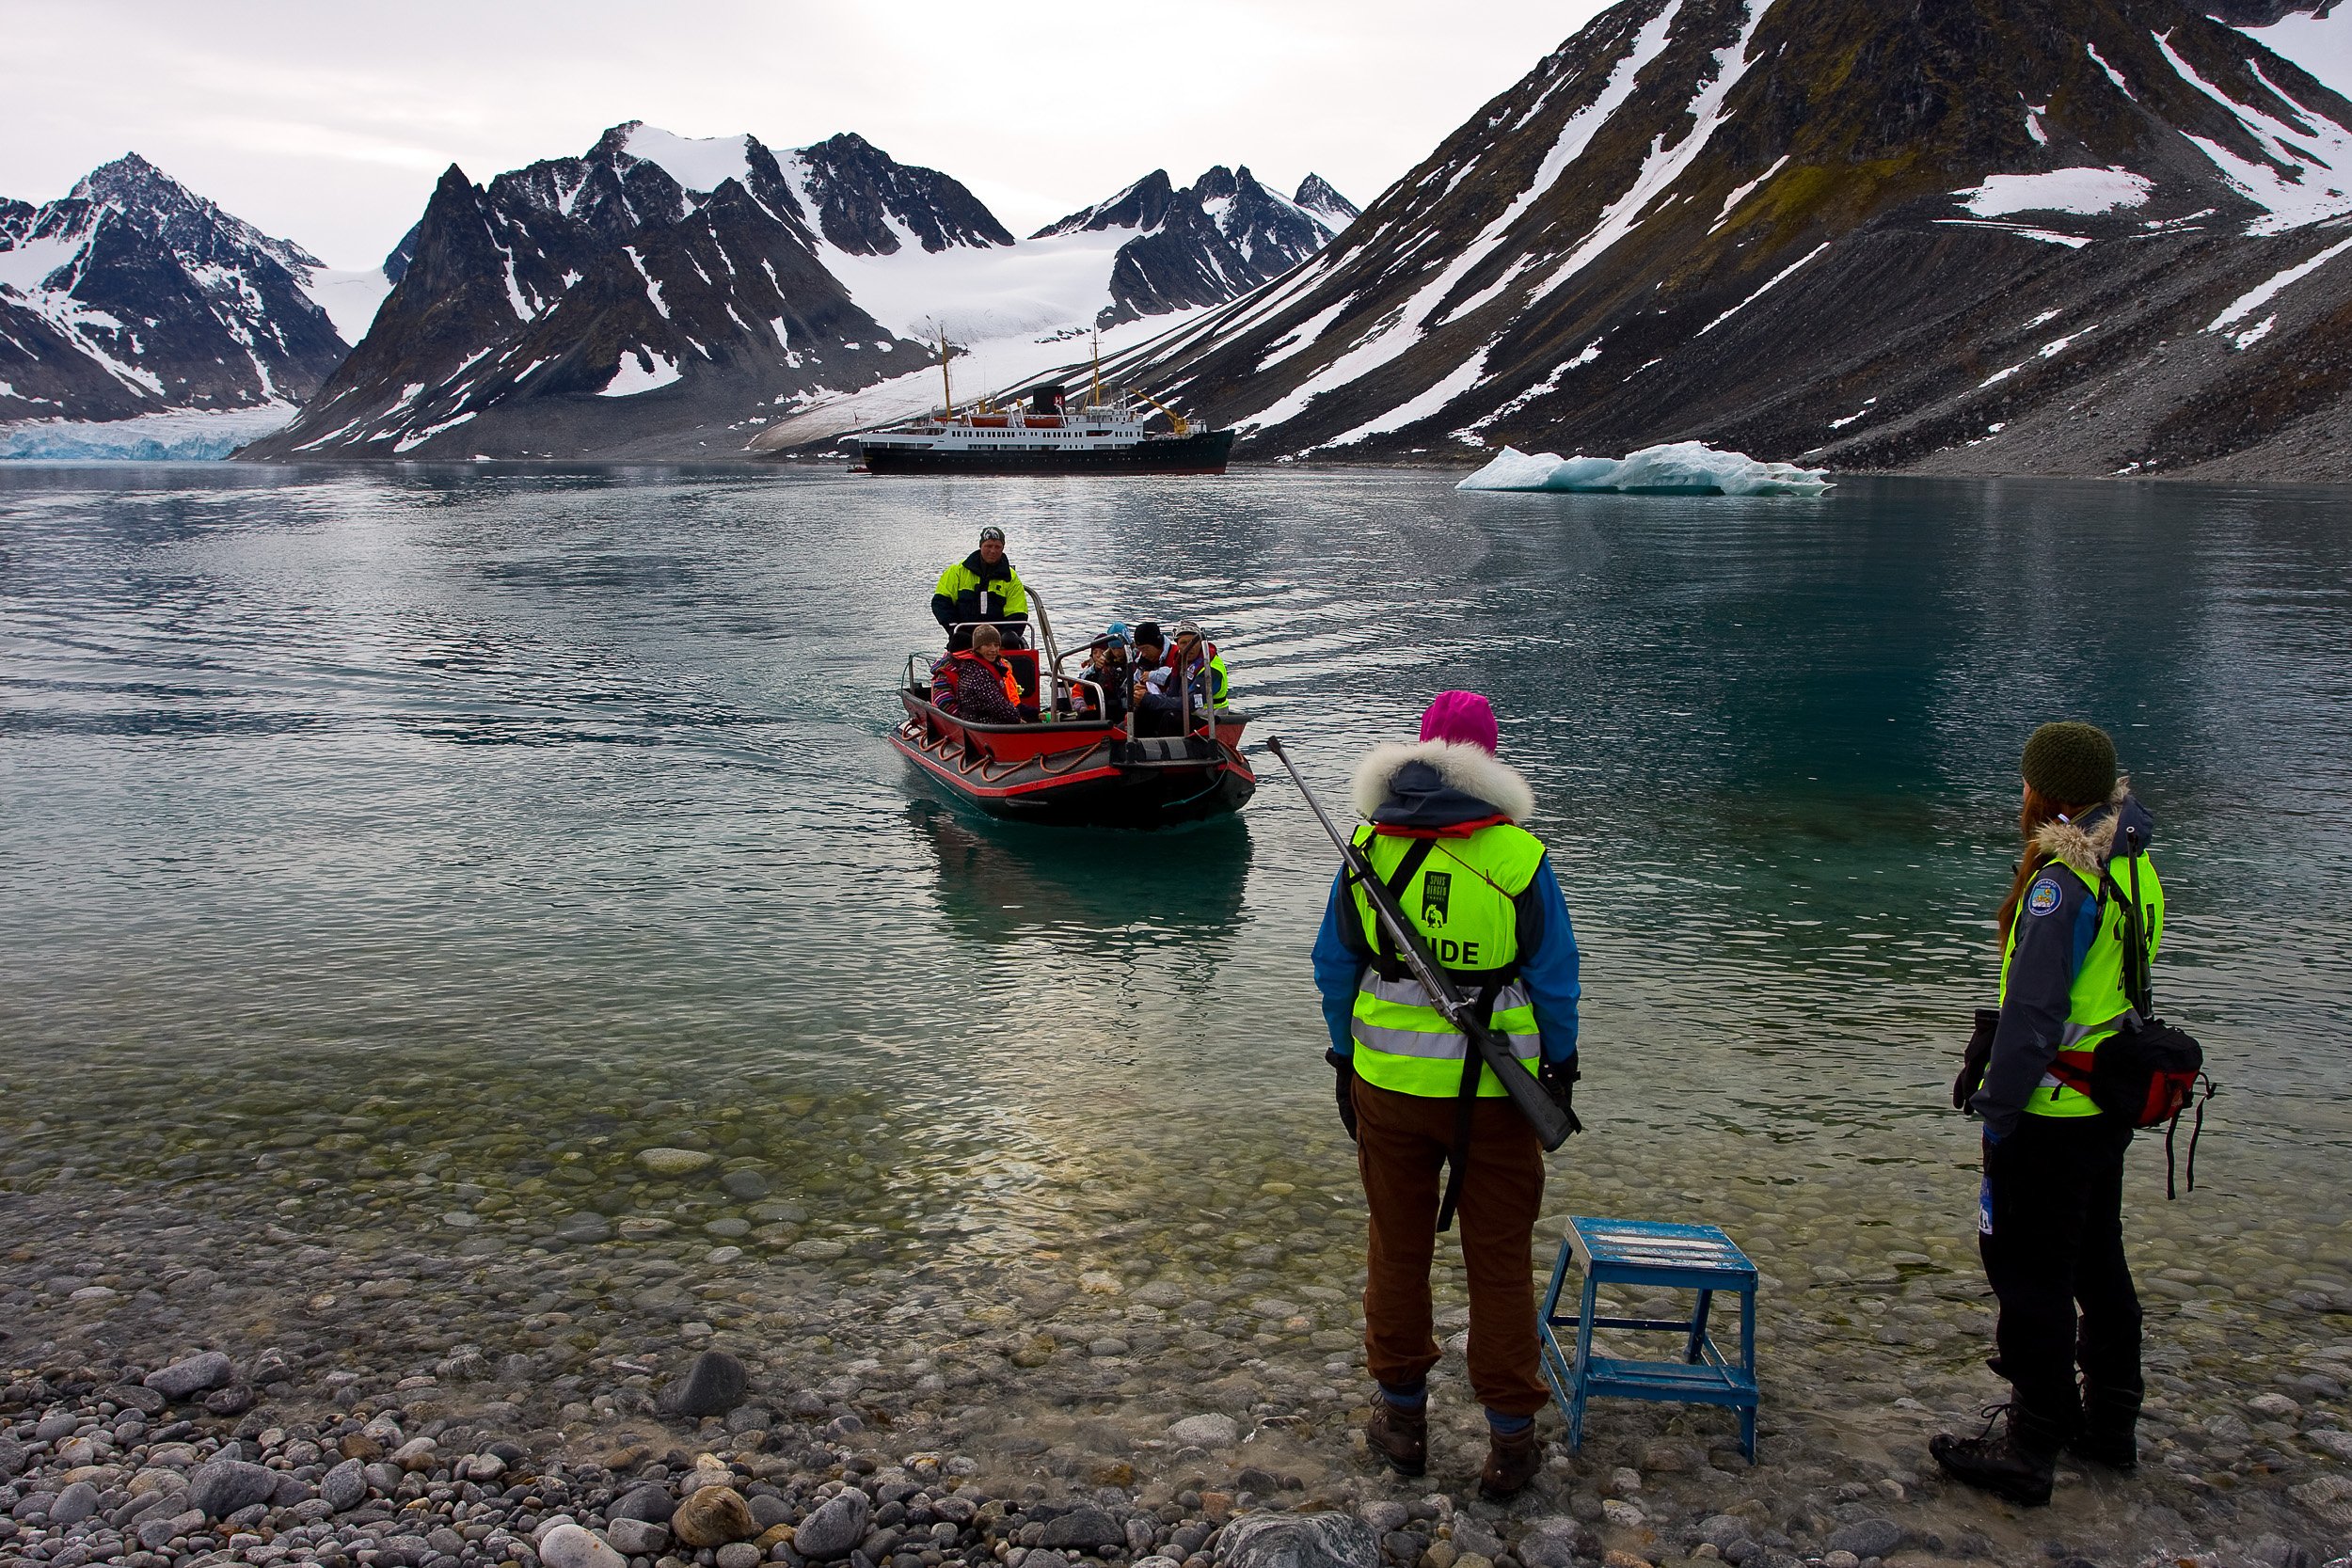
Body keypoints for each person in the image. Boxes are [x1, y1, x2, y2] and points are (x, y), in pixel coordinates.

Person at [1310, 691, 1583, 1499]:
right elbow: (1556, 984)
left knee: (1396, 1250)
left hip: (1387, 1089)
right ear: (1489, 765)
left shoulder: (1365, 846)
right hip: (1500, 1101)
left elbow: (1333, 966)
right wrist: (1560, 1070)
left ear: (1422, 753)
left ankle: (1402, 1423)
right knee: (1499, 1263)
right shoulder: (1519, 859)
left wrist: (1342, 1054)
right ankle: (1510, 1444)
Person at [1933, 721, 2160, 1506]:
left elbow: (2035, 1012)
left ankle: (2030, 1447)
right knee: (2097, 1262)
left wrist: (1997, 1106)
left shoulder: (2059, 885)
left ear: (2049, 794)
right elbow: (2101, 992)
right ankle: (2109, 1428)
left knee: (2027, 1270)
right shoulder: (2134, 869)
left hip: (2049, 1109)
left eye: (2025, 780)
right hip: (2102, 1105)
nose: (2018, 792)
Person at [931, 526, 1029, 648]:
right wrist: (954, 627)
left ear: (1002, 548)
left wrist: (1008, 634)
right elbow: (941, 602)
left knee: (1011, 640)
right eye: (988, 546)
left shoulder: (1011, 578)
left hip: (998, 639)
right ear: (980, 546)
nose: (992, 551)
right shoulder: (957, 571)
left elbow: (1018, 613)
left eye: (997, 547)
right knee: (959, 641)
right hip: (965, 635)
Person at [943, 624, 1028, 724]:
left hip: (986, 719)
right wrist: (1017, 719)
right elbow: (996, 705)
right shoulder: (978, 673)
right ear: (977, 648)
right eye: (987, 645)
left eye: (996, 645)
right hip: (982, 723)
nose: (993, 649)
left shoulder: (979, 666)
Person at [1071, 627, 1132, 724]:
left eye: (1119, 648)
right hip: (1101, 707)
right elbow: (1078, 688)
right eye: (1095, 652)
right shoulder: (1093, 669)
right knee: (1085, 716)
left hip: (1122, 708)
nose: (1098, 655)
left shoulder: (1131, 662)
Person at [1167, 619, 1231, 711]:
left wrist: (1152, 701)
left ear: (1201, 644)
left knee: (1169, 717)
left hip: (1209, 715)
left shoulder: (1211, 669)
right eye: (1184, 643)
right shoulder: (1181, 662)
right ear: (1178, 645)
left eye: (1193, 642)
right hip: (1192, 713)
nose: (1189, 647)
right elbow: (1172, 692)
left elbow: (1193, 703)